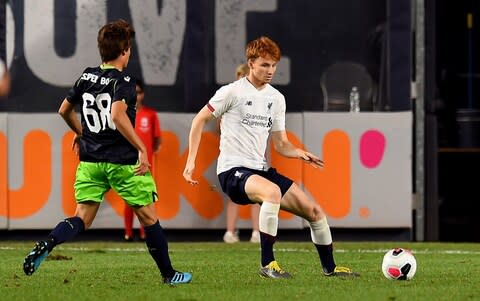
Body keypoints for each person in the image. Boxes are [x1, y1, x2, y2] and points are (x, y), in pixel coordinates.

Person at [23, 19, 192, 285]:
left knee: (81, 217)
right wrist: (141, 147)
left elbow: (63, 110)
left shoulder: (87, 75)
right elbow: (117, 115)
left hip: (90, 161)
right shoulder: (124, 80)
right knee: (149, 218)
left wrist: (81, 134)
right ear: (125, 50)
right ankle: (169, 275)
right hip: (123, 163)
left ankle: (50, 240)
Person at [183, 36, 358, 278]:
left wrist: (299, 153)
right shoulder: (231, 92)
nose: (270, 70)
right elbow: (199, 120)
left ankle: (330, 268)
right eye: (265, 64)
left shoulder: (276, 98)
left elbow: (281, 144)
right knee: (272, 193)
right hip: (233, 172)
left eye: (274, 65)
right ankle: (268, 264)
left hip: (260, 171)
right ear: (251, 63)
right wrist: (191, 161)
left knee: (315, 212)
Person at [223, 63, 260, 244]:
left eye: (242, 75)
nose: (239, 78)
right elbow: (219, 124)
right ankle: (230, 232)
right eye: (238, 75)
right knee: (233, 195)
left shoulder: (259, 98)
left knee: (257, 195)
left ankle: (256, 232)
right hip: (233, 155)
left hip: (252, 154)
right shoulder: (229, 96)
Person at [123, 78, 161, 242]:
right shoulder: (122, 114)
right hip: (126, 160)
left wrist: (150, 152)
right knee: (129, 198)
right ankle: (128, 233)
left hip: (145, 162)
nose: (135, 96)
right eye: (133, 92)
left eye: (138, 92)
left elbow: (157, 139)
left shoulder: (150, 115)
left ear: (142, 94)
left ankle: (145, 232)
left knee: (145, 197)